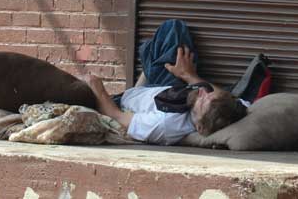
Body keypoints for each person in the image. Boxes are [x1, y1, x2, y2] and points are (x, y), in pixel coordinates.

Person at [86, 20, 248, 145]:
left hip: (125, 102)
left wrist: (96, 86)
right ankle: (152, 61)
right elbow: (230, 98)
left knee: (157, 47)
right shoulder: (233, 108)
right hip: (166, 89)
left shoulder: (164, 124)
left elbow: (117, 116)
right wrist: (189, 75)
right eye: (209, 93)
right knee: (173, 29)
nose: (202, 91)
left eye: (202, 101)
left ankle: (150, 61)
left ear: (199, 128)